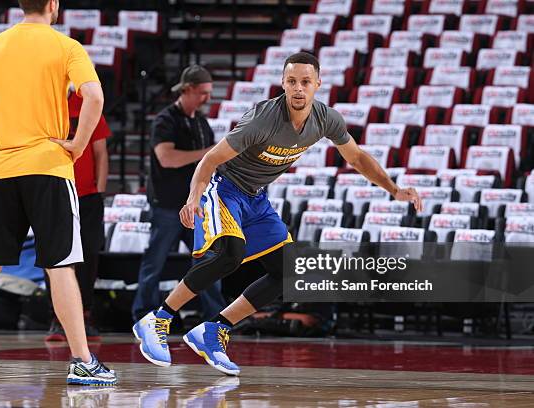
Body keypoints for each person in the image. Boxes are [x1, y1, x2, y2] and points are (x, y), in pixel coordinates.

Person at [133, 52, 423, 375]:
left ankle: (214, 330)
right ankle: (158, 319)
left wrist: (394, 189)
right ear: (283, 84)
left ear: (317, 84)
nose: (298, 89)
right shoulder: (263, 119)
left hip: (257, 198)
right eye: (291, 82)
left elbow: (356, 157)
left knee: (288, 272)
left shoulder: (326, 119)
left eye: (305, 82)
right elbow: (209, 161)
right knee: (231, 254)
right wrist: (193, 198)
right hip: (225, 188)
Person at [0, 0, 116, 386]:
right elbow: (95, 96)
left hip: (1, 169)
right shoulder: (66, 46)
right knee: (61, 267)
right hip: (49, 168)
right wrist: (78, 143)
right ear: (53, 4)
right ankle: (83, 362)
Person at [131, 65, 225, 326]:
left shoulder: (201, 122)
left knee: (210, 262)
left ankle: (214, 318)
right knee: (154, 264)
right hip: (168, 206)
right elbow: (167, 158)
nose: (207, 98)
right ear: (188, 89)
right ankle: (144, 316)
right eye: (203, 93)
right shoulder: (165, 120)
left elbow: (213, 161)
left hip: (195, 206)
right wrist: (208, 154)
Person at [45, 91, 110, 342]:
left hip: (87, 195)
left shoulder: (88, 102)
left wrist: (100, 190)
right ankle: (56, 319)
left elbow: (100, 152)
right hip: (53, 191)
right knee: (54, 257)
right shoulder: (45, 103)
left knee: (88, 256)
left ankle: (85, 314)